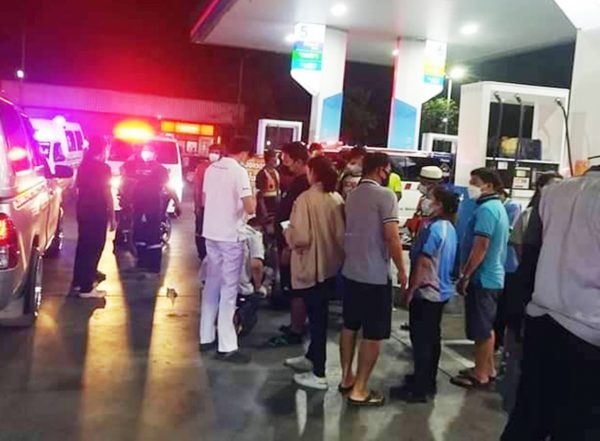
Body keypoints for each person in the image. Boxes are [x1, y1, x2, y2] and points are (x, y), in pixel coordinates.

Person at [501, 162, 600, 441]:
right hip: (589, 334)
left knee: (528, 417)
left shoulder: (553, 192)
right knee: (579, 426)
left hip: (542, 323)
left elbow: (529, 257)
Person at [340, 152, 408, 407]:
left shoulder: (352, 194)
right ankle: (360, 389)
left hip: (351, 272)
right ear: (382, 169)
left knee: (350, 326)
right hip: (375, 276)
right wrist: (402, 270)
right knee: (373, 334)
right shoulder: (385, 195)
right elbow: (392, 236)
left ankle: (347, 378)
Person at [499, 172, 562, 412]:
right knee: (518, 344)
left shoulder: (563, 218)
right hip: (528, 288)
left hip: (550, 295)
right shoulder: (529, 215)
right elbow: (519, 248)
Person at [391, 186, 459, 403]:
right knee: (432, 337)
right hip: (441, 291)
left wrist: (410, 290)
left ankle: (419, 389)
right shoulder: (449, 228)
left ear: (439, 204)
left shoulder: (433, 229)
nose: (425, 201)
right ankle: (427, 379)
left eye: (429, 198)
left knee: (421, 340)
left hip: (427, 290)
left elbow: (423, 261)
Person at [282, 156, 345, 390]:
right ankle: (311, 357)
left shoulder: (305, 199)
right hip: (330, 266)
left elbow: (301, 237)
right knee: (320, 317)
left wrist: (287, 232)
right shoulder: (336, 198)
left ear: (313, 173)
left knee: (317, 320)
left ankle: (319, 373)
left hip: (310, 265)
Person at [451, 168, 509, 389]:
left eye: (475, 182)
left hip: (483, 278)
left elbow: (481, 246)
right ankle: (487, 368)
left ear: (489, 186)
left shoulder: (487, 210)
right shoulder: (496, 207)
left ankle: (480, 374)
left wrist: (466, 275)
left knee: (481, 330)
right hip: (492, 277)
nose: (471, 186)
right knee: (486, 327)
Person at [200, 137, 256, 364]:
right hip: (231, 236)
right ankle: (227, 345)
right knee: (229, 290)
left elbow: (204, 200)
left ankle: (206, 336)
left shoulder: (211, 169)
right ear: (243, 153)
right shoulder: (239, 172)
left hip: (211, 233)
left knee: (211, 285)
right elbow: (250, 206)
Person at [268, 142, 311, 347]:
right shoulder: (298, 182)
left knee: (296, 290)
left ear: (300, 161)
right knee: (293, 288)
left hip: (293, 245)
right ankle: (296, 324)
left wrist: (288, 246)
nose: (285, 164)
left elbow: (297, 218)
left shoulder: (303, 185)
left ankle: (296, 330)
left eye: (288, 160)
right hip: (288, 241)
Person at [121, 146, 181, 277]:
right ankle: (141, 263)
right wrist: (126, 200)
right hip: (138, 205)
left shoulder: (160, 169)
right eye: (144, 150)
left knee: (152, 235)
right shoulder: (136, 167)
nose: (146, 153)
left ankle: (153, 267)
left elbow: (168, 186)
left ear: (155, 154)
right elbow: (127, 181)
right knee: (139, 235)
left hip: (153, 205)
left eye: (149, 151)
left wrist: (176, 202)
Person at [71, 137, 115, 299]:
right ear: (102, 149)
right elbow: (106, 192)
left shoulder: (83, 166)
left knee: (83, 246)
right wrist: (112, 215)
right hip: (97, 212)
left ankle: (78, 281)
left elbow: (75, 188)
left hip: (83, 210)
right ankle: (87, 287)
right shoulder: (103, 168)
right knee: (95, 247)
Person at [494, 190, 522, 350]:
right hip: (500, 264)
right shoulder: (496, 207)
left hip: (510, 266)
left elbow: (510, 234)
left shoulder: (513, 207)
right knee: (498, 307)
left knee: (504, 307)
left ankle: (500, 340)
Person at [194, 144, 221, 261]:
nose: (214, 154)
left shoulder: (223, 169)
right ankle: (202, 254)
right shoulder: (202, 167)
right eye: (212, 152)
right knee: (201, 230)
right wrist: (197, 205)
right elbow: (197, 188)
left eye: (217, 152)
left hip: (217, 206)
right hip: (203, 205)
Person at [255, 149, 281, 226]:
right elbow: (260, 195)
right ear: (268, 160)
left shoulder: (276, 172)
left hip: (276, 202)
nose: (276, 160)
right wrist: (264, 212)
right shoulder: (262, 174)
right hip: (267, 204)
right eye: (274, 158)